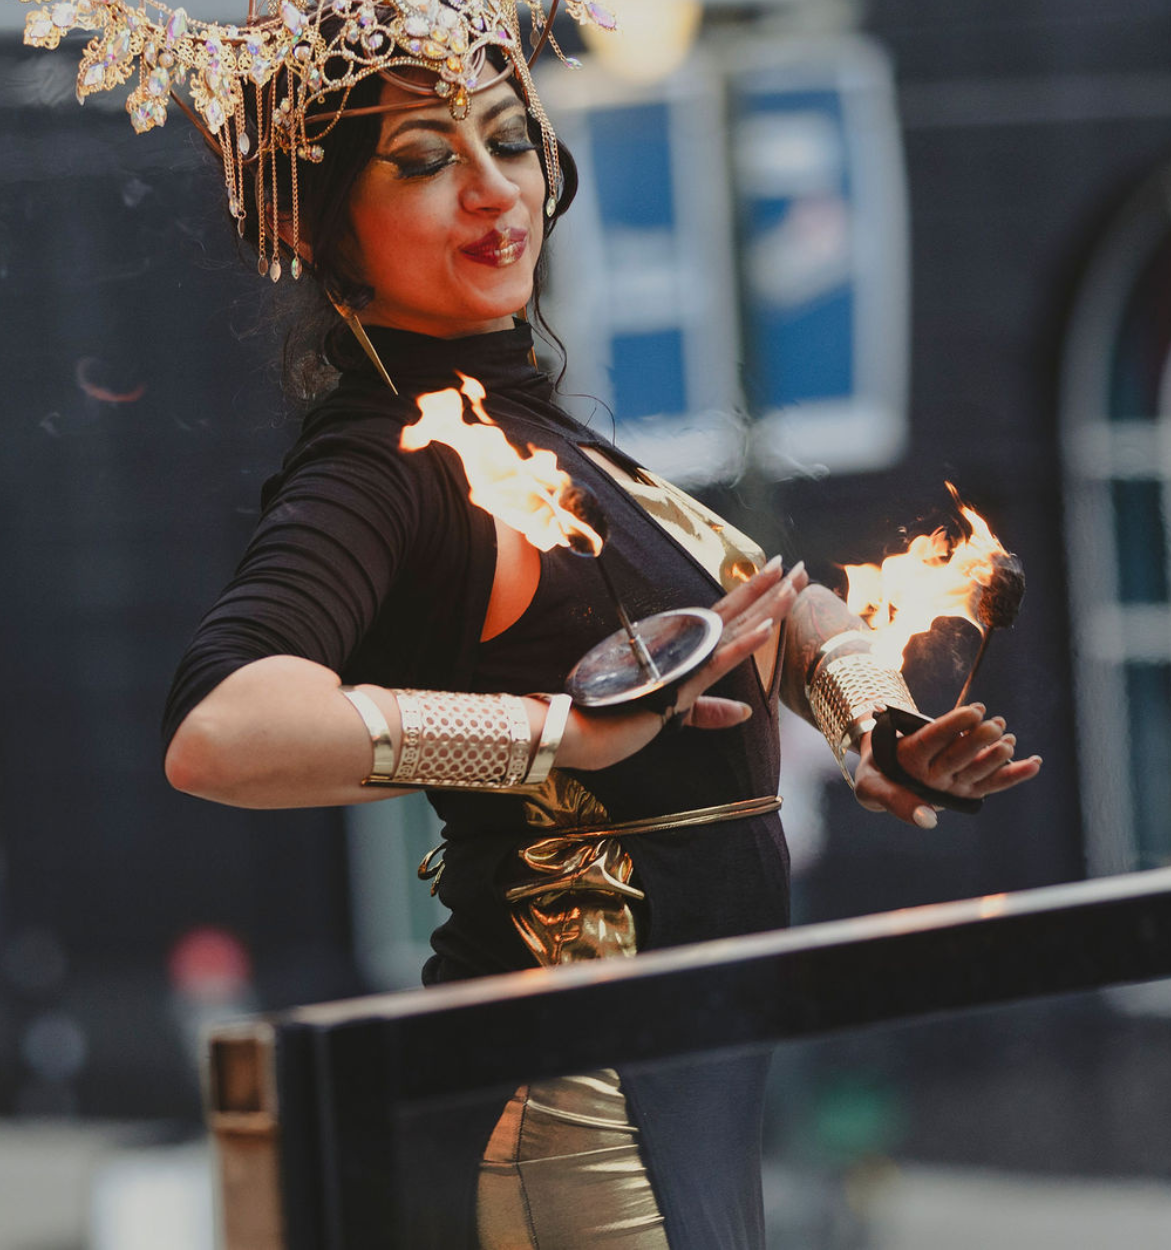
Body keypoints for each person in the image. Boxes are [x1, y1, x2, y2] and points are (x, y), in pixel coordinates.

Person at [159, 65, 1042, 1250]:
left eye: (511, 142)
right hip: (574, 1097)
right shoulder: (388, 463)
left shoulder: (533, 433)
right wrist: (553, 737)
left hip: (676, 1070)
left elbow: (778, 607)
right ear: (321, 228)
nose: (492, 190)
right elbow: (221, 728)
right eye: (424, 160)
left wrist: (877, 729)